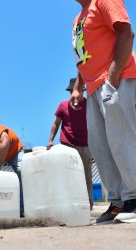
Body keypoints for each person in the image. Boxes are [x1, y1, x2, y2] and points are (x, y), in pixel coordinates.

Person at [63, 0, 136, 223]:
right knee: (100, 147)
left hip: (116, 78)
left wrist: (111, 78)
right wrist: (78, 86)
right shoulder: (77, 18)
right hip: (92, 87)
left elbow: (126, 33)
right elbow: (83, 55)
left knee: (121, 139)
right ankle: (117, 203)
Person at [47, 78, 93, 209]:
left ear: (82, 91)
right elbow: (56, 123)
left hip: (86, 145)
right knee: (68, 175)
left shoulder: (89, 104)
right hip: (67, 144)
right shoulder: (63, 105)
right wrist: (50, 140)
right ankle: (68, 203)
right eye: (72, 91)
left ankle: (88, 204)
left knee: (87, 176)